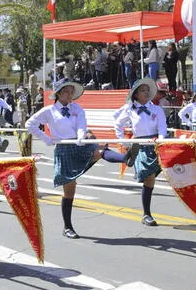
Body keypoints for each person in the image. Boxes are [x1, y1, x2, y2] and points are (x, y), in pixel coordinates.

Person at [26, 79, 131, 238]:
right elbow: (30, 124)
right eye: (66, 91)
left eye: (71, 91)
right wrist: (46, 138)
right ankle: (67, 227)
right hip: (64, 149)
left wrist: (81, 136)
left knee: (100, 149)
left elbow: (82, 124)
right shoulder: (49, 110)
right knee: (69, 192)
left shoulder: (77, 108)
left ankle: (126, 158)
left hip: (79, 144)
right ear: (59, 94)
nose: (70, 94)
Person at [114, 77, 167, 226]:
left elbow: (162, 126)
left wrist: (161, 139)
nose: (146, 92)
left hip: (155, 144)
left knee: (151, 179)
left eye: (147, 90)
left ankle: (146, 213)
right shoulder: (129, 109)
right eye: (143, 90)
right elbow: (117, 124)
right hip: (140, 144)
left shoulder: (157, 109)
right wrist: (123, 141)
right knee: (149, 177)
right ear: (136, 94)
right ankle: (146, 213)